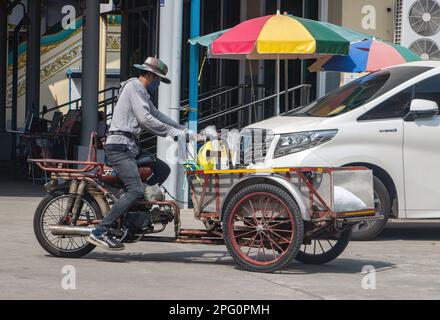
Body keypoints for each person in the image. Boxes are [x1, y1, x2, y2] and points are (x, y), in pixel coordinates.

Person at [88, 57, 187, 251]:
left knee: (161, 169)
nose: (158, 84)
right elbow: (146, 119)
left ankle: (134, 211)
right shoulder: (135, 87)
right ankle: (100, 231)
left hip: (131, 147)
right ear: (150, 75)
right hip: (120, 147)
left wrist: (181, 128)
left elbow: (156, 114)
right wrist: (174, 133)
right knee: (135, 190)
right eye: (157, 79)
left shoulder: (141, 92)